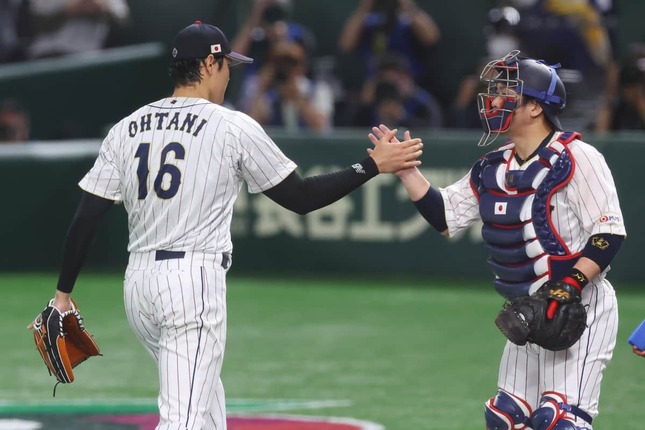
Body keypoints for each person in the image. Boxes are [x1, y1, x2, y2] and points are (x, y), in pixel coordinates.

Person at [29, 21, 422, 430]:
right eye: (227, 64)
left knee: (208, 414)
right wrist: (372, 165)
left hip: (139, 288)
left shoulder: (127, 127)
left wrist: (63, 294)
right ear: (210, 63)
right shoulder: (231, 125)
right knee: (183, 422)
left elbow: (87, 215)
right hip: (190, 286)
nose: (230, 73)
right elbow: (301, 198)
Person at [373, 50, 626, 429]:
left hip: (581, 307)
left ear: (536, 108)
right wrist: (406, 171)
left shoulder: (577, 157)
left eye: (506, 93)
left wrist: (566, 288)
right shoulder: (494, 165)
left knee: (558, 421)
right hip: (527, 312)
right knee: (505, 418)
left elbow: (609, 233)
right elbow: (446, 216)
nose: (493, 101)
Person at [242, 39, 334, 132]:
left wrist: (298, 98)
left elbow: (322, 127)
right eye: (281, 64)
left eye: (292, 63)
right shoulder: (268, 95)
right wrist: (261, 88)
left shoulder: (318, 90)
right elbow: (250, 128)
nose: (286, 68)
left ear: (303, 65)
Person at [26, 0, 130, 59]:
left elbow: (122, 22)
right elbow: (36, 25)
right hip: (48, 55)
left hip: (90, 58)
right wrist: (67, 12)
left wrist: (100, 10)